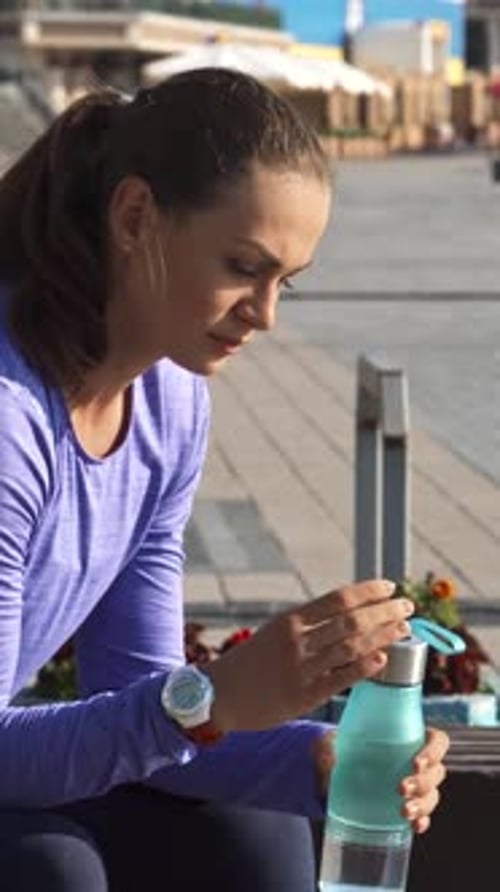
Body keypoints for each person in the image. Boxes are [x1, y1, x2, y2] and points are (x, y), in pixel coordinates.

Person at [0, 68, 448, 892]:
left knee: (260, 832)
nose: (266, 314)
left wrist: (318, 757)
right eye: (245, 265)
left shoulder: (171, 404)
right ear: (135, 216)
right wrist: (211, 699)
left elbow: (134, 690)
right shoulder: (10, 413)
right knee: (46, 870)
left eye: (288, 281)